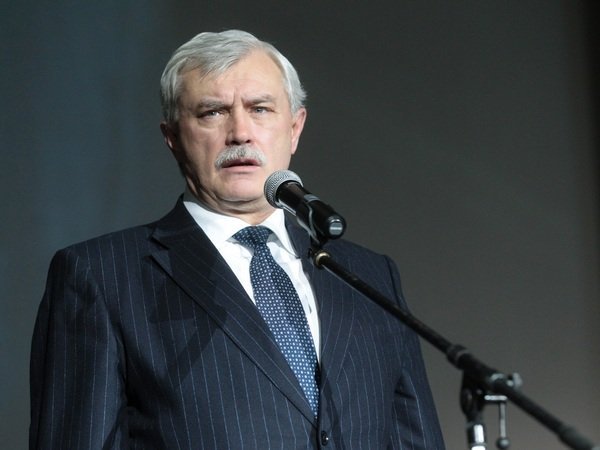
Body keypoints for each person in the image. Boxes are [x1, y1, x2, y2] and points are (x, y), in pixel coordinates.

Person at [30, 29, 445, 449]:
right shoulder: (102, 276)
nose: (240, 133)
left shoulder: (369, 276)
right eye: (212, 112)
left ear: (295, 128)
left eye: (260, 109)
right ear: (172, 137)